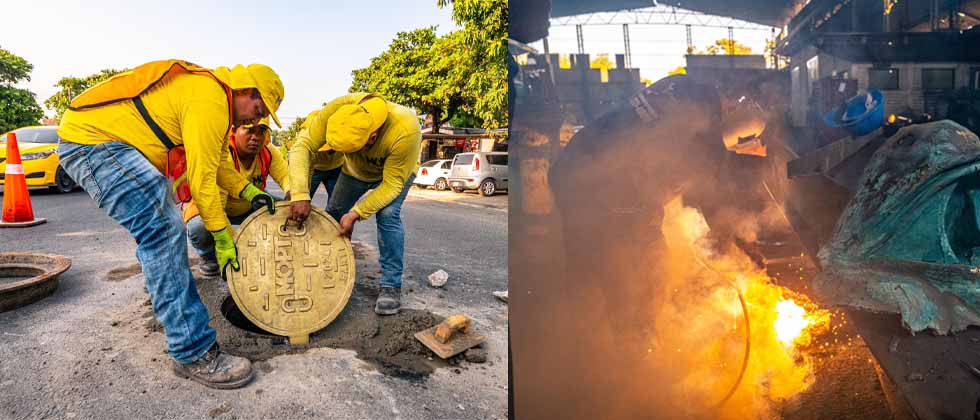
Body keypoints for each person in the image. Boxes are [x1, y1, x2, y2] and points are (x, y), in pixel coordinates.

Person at [56, 59, 284, 389]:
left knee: (158, 228)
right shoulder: (209, 99)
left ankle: (165, 299)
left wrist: (248, 191)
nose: (256, 120)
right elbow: (203, 182)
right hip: (94, 144)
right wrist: (222, 236)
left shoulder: (214, 98)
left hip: (98, 142)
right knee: (163, 231)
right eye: (259, 110)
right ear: (246, 91)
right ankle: (192, 351)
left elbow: (217, 163)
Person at [287, 93, 421, 315]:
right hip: (355, 172)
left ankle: (391, 284)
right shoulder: (338, 109)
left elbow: (391, 185)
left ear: (372, 138)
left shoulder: (405, 129)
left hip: (396, 174)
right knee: (332, 215)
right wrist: (300, 193)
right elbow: (303, 146)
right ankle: (325, 270)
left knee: (388, 215)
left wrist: (357, 213)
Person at [184, 117, 291, 276]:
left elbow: (286, 176)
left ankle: (274, 247)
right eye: (249, 130)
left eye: (261, 132)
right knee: (199, 226)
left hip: (247, 205)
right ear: (234, 131)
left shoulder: (267, 152)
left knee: (283, 209)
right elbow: (218, 211)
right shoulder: (224, 154)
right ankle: (208, 256)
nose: (255, 137)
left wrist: (292, 195)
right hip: (213, 208)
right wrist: (236, 250)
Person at [297, 110, 346, 204]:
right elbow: (305, 168)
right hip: (315, 170)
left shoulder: (345, 135)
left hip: (336, 169)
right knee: (303, 199)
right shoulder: (304, 144)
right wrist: (301, 195)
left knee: (335, 203)